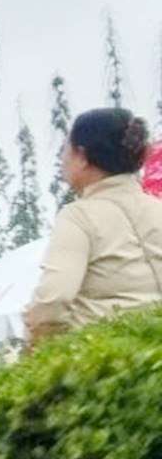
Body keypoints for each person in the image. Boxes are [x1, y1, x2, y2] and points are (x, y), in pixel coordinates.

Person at [24, 109, 162, 339]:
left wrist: (38, 350)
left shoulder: (78, 217)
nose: (62, 160)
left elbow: (53, 300)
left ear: (82, 156)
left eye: (65, 150)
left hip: (107, 360)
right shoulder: (157, 208)